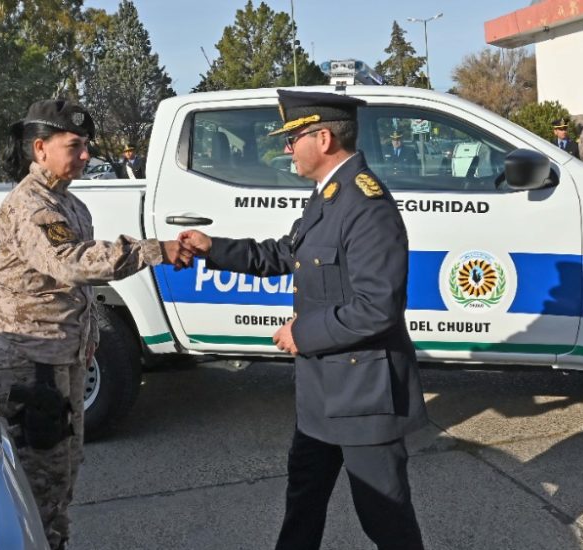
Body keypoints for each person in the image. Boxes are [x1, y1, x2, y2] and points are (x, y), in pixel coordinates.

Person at [179, 89, 427, 550]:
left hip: (362, 396)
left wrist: (303, 332)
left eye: (294, 138)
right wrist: (213, 248)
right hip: (321, 395)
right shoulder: (328, 196)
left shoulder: (366, 204)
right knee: (303, 507)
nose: (287, 148)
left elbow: (378, 307)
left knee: (387, 521)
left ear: (325, 137)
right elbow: (284, 254)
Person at [0, 98, 190, 549]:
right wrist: (156, 250)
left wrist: (88, 339)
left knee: (62, 476)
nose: (86, 155)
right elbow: (71, 263)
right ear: (40, 149)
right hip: (30, 366)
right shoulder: (32, 208)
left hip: (60, 360)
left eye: (86, 145)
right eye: (75, 145)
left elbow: (71, 290)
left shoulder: (68, 203)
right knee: (35, 490)